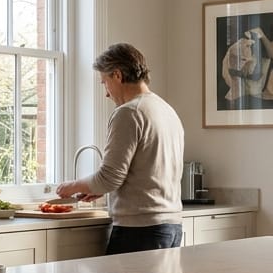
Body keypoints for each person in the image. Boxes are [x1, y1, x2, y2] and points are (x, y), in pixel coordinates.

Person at [55, 43, 184, 254]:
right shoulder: (166, 110)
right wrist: (96, 188)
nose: (106, 93)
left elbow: (109, 177)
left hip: (140, 230)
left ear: (117, 75)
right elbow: (147, 170)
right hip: (171, 226)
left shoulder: (129, 112)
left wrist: (73, 186)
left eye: (104, 83)